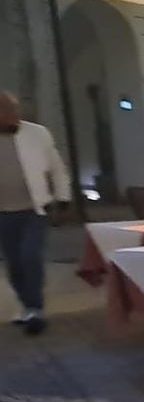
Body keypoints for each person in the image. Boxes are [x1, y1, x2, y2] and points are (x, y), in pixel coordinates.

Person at [0, 91, 71, 336]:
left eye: (14, 110)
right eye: (6, 111)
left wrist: (63, 199)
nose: (13, 116)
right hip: (3, 214)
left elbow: (57, 169)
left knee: (30, 256)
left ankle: (35, 309)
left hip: (34, 210)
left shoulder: (37, 134)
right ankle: (27, 306)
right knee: (14, 264)